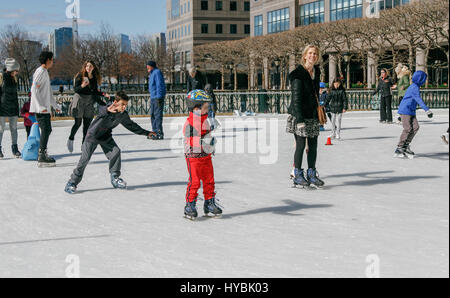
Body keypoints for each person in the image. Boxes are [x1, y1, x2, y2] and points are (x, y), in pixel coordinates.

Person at [64, 91, 157, 194]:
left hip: (105, 136)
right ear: (116, 102)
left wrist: (147, 133)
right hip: (92, 136)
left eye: (126, 105)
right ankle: (71, 183)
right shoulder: (106, 107)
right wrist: (107, 110)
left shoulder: (122, 115)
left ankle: (115, 178)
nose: (124, 107)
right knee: (84, 159)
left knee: (115, 152)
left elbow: (132, 126)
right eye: (122, 104)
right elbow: (101, 110)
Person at [286, 45, 325, 189]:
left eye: (315, 53)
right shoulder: (298, 74)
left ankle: (312, 173)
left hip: (312, 113)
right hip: (299, 115)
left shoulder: (316, 71)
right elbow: (296, 99)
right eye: (310, 53)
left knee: (313, 145)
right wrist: (300, 120)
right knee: (301, 145)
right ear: (304, 56)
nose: (313, 56)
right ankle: (297, 175)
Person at [183, 89, 222, 219]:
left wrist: (211, 142)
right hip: (193, 158)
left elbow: (207, 135)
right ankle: (190, 204)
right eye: (205, 107)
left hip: (206, 156)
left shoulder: (206, 120)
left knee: (209, 180)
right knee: (194, 181)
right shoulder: (190, 123)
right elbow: (191, 140)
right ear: (196, 108)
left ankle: (209, 203)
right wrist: (204, 141)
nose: (208, 109)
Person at [67, 61, 108, 153]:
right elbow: (76, 89)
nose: (89, 67)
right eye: (87, 66)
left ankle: (84, 147)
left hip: (89, 102)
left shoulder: (93, 78)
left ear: (93, 68)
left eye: (90, 66)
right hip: (80, 100)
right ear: (85, 67)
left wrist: (103, 94)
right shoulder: (80, 75)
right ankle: (71, 139)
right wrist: (82, 85)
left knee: (87, 127)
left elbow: (94, 91)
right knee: (78, 123)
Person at [395, 70, 433, 158]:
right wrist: (427, 110)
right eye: (424, 79)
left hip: (411, 111)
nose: (425, 81)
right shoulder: (414, 87)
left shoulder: (415, 86)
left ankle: (406, 145)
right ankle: (400, 147)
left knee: (416, 127)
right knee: (408, 128)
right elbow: (418, 99)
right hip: (405, 110)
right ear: (421, 79)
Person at [0, 58, 22, 159]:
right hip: (2, 108)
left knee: (14, 129)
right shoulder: (1, 77)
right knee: (1, 129)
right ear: (10, 70)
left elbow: (15, 95)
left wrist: (17, 109)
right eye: (16, 71)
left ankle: (15, 148)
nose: (17, 72)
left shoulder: (14, 78)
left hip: (13, 108)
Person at [147, 61, 166, 140]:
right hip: (153, 97)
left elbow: (159, 85)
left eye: (148, 66)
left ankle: (159, 132)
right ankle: (154, 132)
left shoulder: (157, 72)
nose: (147, 68)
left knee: (157, 115)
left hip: (157, 97)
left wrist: (159, 96)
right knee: (153, 115)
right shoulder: (152, 73)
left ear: (152, 66)